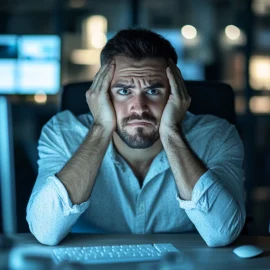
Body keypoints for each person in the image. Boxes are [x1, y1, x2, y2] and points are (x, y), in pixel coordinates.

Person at [26, 28, 246, 247]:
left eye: (153, 91)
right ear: (101, 94)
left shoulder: (217, 136)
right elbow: (45, 230)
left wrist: (171, 132)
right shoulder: (63, 133)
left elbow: (221, 233)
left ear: (175, 93)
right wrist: (101, 128)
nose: (139, 108)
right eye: (123, 91)